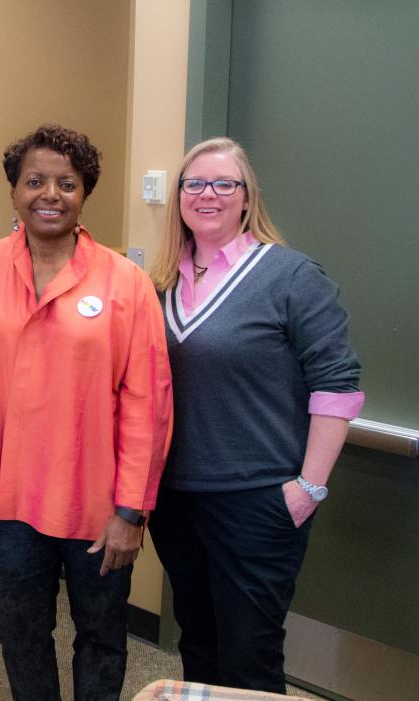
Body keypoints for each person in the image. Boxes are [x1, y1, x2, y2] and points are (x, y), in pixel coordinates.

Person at [0, 124, 172, 701]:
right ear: (15, 192)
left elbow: (150, 401)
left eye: (66, 183)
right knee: (20, 632)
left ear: (83, 194)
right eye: (36, 181)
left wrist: (132, 509)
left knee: (100, 633)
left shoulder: (126, 282)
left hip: (97, 501)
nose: (51, 194)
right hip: (14, 495)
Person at [147, 137, 362, 693]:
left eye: (224, 183)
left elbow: (337, 387)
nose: (208, 194)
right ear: (179, 198)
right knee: (197, 641)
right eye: (194, 183)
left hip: (258, 500)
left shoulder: (291, 276)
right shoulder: (161, 285)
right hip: (177, 499)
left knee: (250, 653)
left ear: (247, 198)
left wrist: (308, 487)